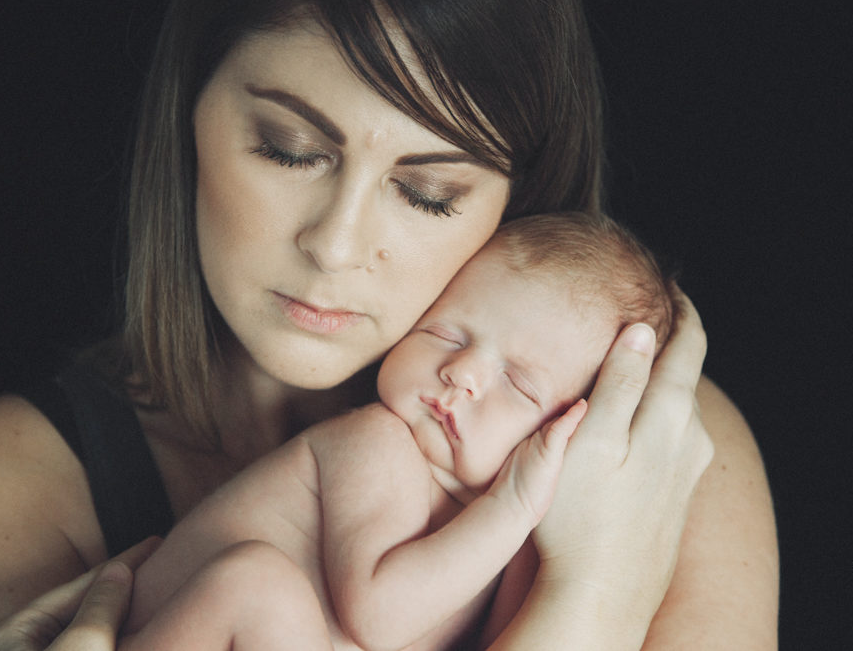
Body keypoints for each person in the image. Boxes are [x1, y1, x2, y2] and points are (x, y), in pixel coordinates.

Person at [0, 0, 779, 649]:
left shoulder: (663, 445)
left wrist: (591, 585)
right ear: (189, 112)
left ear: (518, 202)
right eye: (291, 149)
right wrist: (589, 610)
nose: (339, 244)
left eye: (427, 193)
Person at [119, 212, 675, 651]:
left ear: (575, 429)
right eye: (445, 333)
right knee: (256, 584)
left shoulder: (500, 534)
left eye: (520, 386)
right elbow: (380, 617)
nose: (463, 373)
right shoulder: (377, 443)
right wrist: (515, 503)